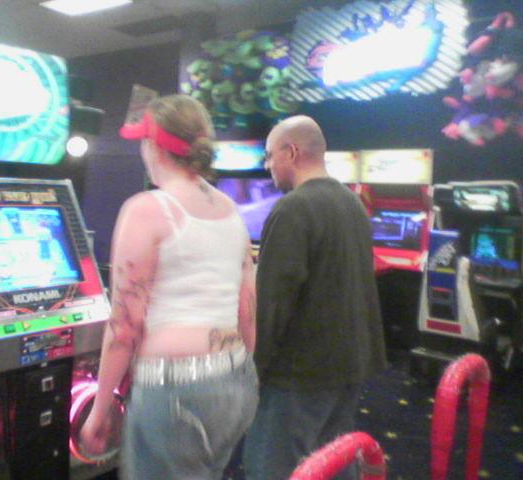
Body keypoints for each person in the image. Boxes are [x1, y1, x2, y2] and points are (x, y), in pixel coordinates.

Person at [79, 94, 259, 479]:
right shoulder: (230, 210)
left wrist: (100, 408)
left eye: (144, 142)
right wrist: (236, 373)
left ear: (155, 147)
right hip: (237, 378)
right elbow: (247, 307)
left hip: (176, 392)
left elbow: (125, 326)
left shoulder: (147, 209)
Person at [243, 115, 387, 480]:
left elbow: (273, 304)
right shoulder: (353, 203)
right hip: (348, 365)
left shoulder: (293, 208)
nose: (267, 165)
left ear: (291, 152)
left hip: (299, 373)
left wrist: (253, 372)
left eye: (269, 155)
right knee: (333, 463)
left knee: (270, 467)